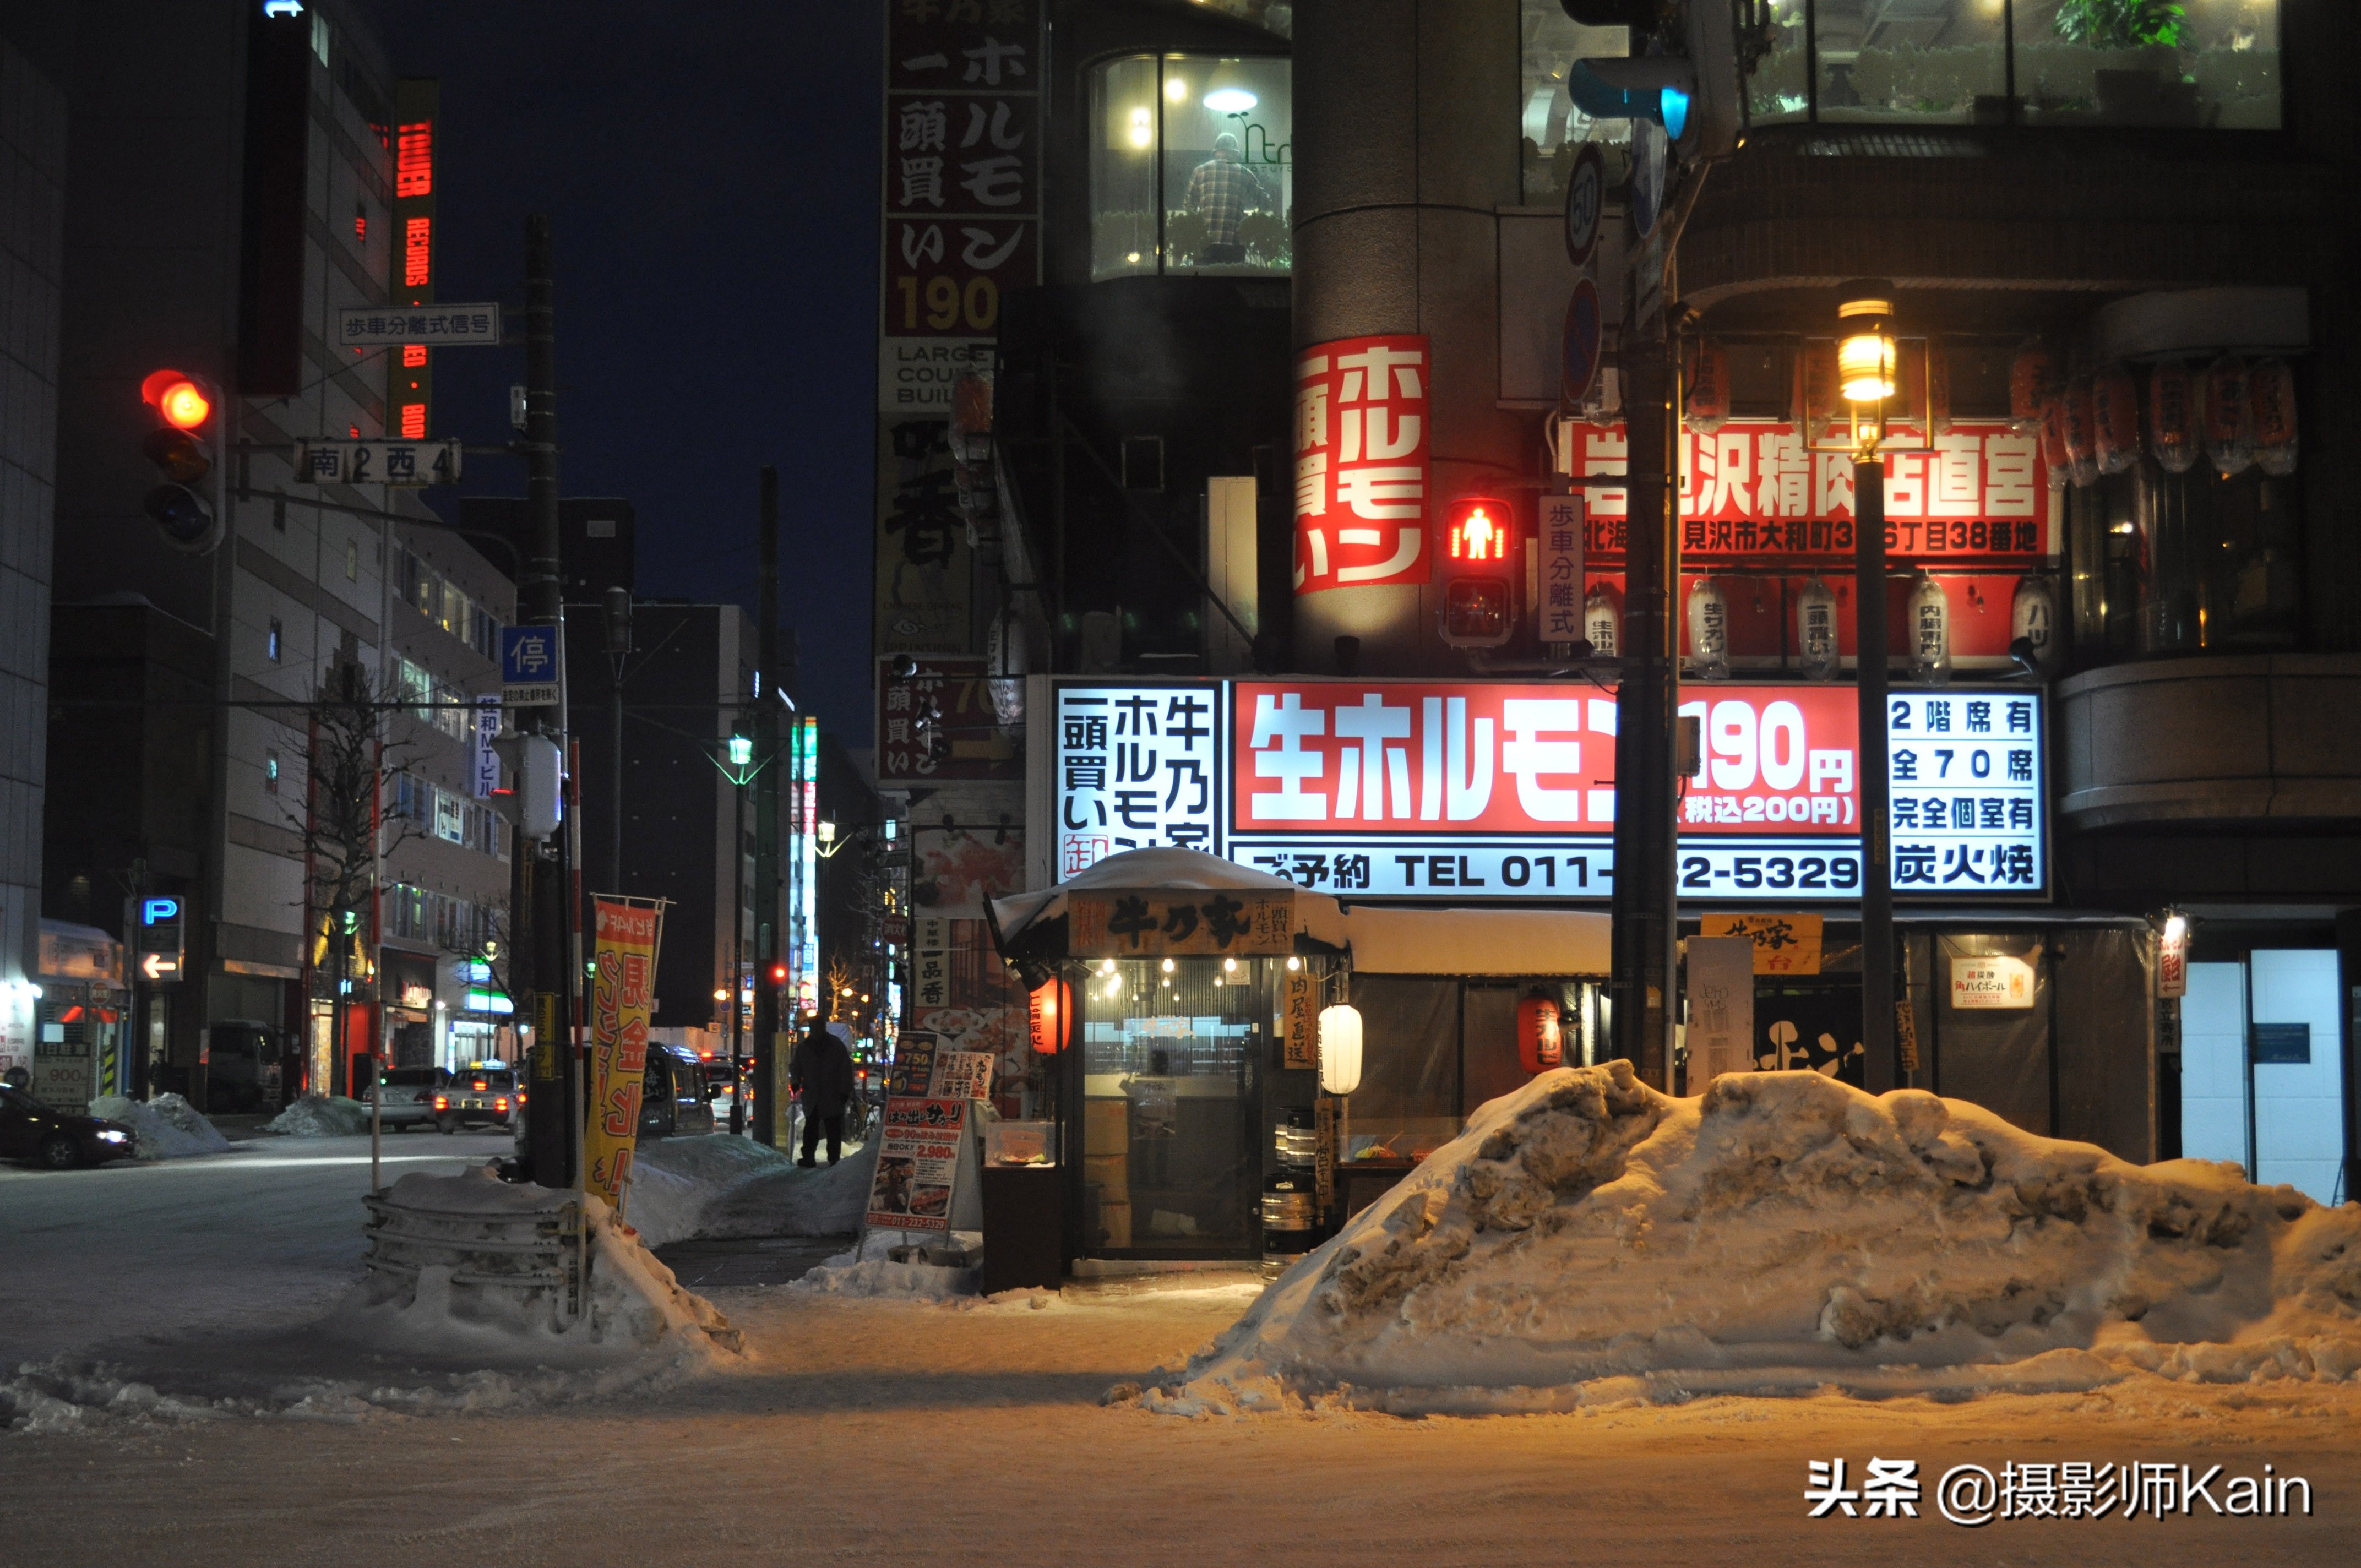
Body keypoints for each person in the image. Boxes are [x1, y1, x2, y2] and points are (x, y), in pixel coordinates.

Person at [1182, 131, 1272, 265]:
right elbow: (1266, 203)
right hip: (1234, 243)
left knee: (1203, 285)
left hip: (1205, 244)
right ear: (1235, 153)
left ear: (1216, 152)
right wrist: (1249, 222)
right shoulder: (1244, 173)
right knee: (1232, 283)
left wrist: (1199, 229)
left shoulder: (1200, 171)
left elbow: (1189, 206)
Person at [788, 1015, 855, 1168]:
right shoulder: (805, 1047)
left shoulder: (834, 1046)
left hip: (832, 1094)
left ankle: (833, 1158)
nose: (815, 1030)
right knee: (812, 1127)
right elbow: (796, 1067)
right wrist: (796, 1082)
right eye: (813, 1027)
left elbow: (845, 1070)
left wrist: (844, 1092)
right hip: (814, 1095)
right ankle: (809, 1157)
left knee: (832, 1128)